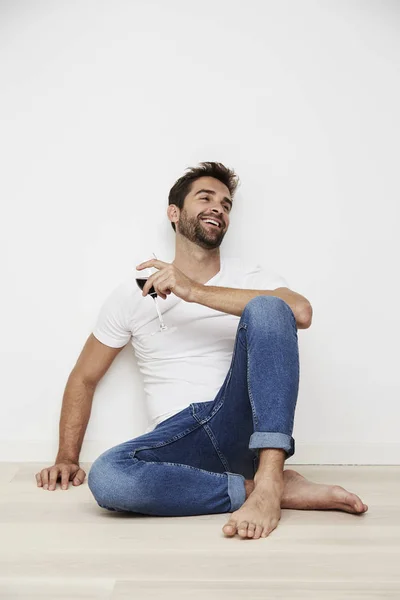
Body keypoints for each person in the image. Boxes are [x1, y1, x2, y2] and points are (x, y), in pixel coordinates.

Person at [35, 161, 368, 540]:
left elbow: (301, 312)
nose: (218, 208)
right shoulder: (131, 294)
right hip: (179, 440)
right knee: (109, 476)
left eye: (226, 204)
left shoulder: (253, 280)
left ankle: (270, 473)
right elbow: (84, 377)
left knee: (270, 307)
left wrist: (193, 291)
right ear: (174, 213)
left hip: (239, 421)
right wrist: (66, 457)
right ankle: (265, 489)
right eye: (205, 198)